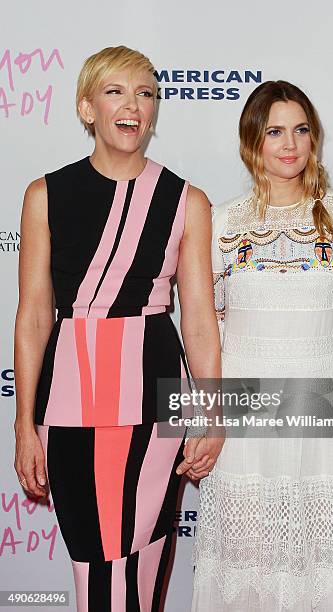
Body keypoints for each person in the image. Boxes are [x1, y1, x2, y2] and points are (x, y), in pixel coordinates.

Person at [13, 45, 221, 612]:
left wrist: (213, 412)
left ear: (154, 111)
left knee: (142, 555)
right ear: (87, 108)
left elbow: (198, 318)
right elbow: (33, 314)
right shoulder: (44, 196)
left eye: (146, 94)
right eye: (115, 92)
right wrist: (23, 423)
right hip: (69, 398)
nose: (133, 106)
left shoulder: (186, 201)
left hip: (155, 397)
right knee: (94, 558)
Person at [191, 81, 333, 611]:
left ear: (315, 138)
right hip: (245, 422)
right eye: (275, 131)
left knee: (322, 580)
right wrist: (204, 422)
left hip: (324, 416)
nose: (290, 144)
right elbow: (204, 331)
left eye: (301, 130)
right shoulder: (220, 222)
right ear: (251, 141)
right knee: (244, 576)